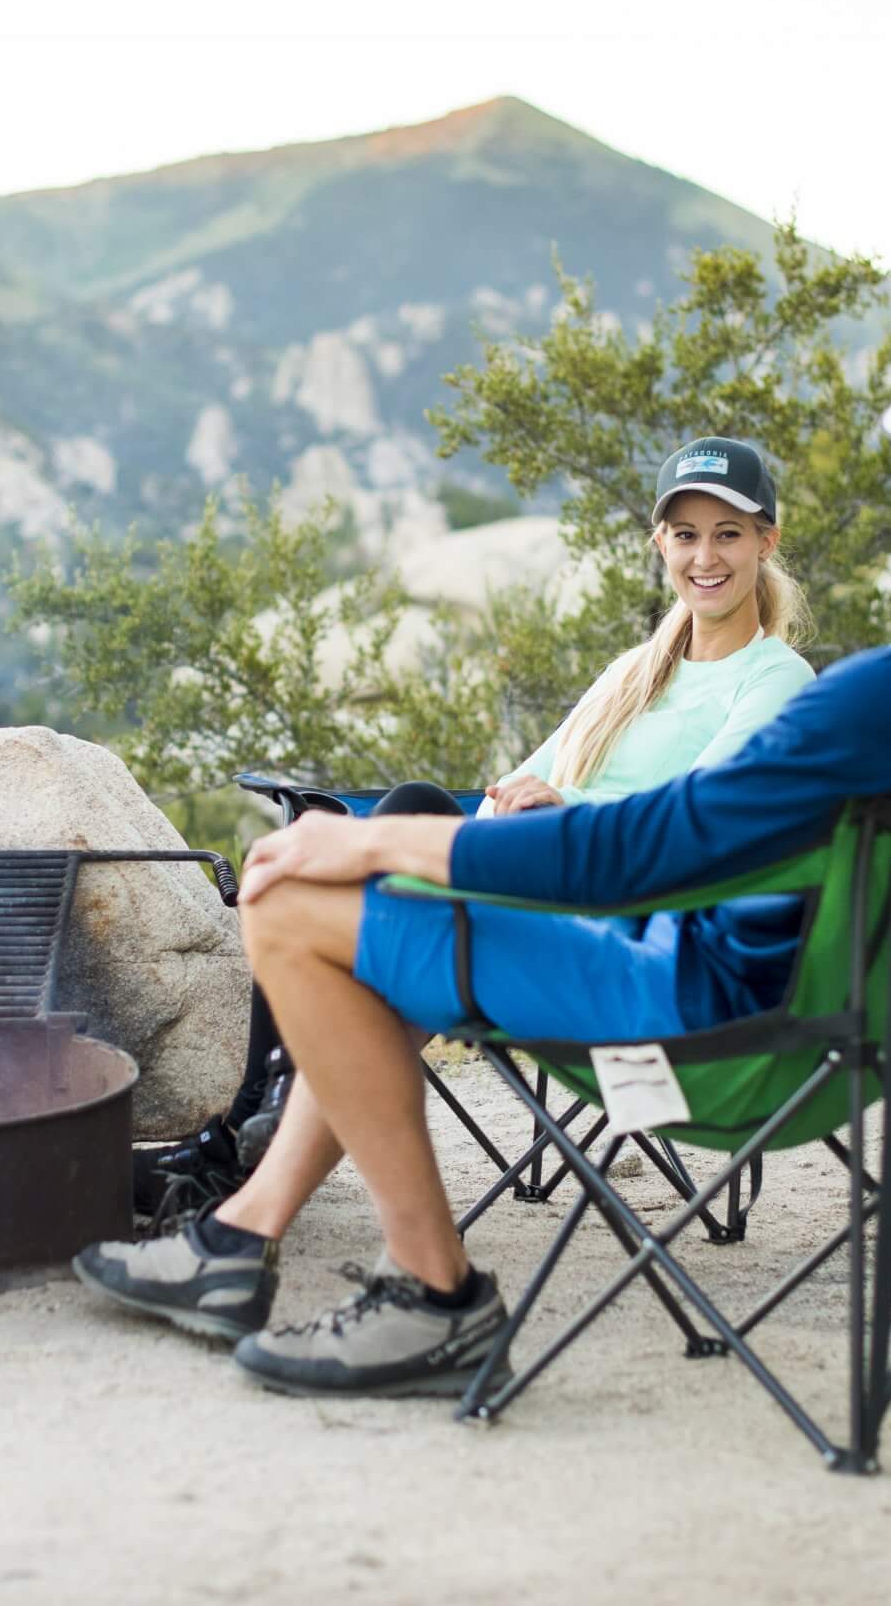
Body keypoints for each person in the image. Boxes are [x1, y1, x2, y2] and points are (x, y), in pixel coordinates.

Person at [74, 352, 891, 1398]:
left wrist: (374, 841)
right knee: (386, 894)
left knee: (297, 905)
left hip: (706, 1033)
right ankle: (240, 1229)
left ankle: (432, 1294)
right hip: (850, 1035)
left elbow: (644, 851)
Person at [133, 439, 818, 1216]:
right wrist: (520, 813)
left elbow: (704, 819)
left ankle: (250, 1132)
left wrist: (564, 812)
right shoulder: (637, 669)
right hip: (541, 880)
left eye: (728, 532)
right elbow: (514, 787)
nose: (706, 555)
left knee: (391, 839)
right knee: (385, 823)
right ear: (661, 542)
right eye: (686, 533)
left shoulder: (776, 680)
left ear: (767, 540)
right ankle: (250, 1130)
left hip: (620, 924)